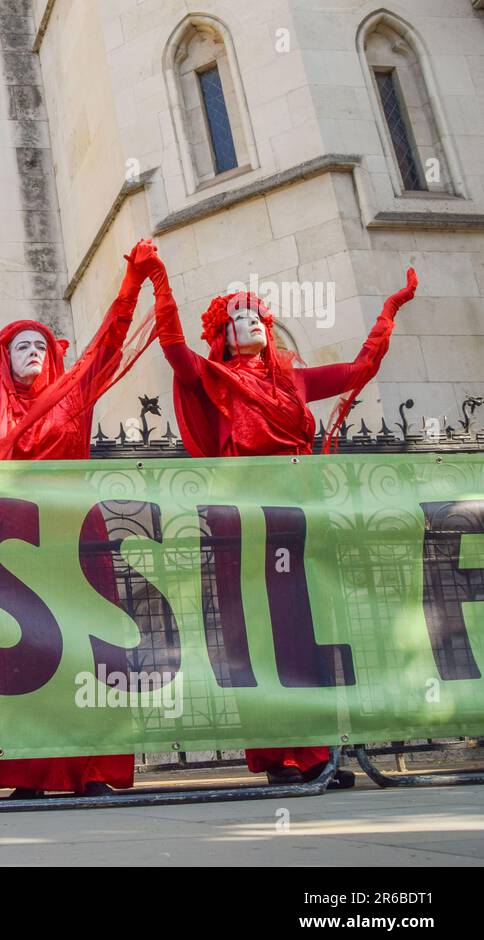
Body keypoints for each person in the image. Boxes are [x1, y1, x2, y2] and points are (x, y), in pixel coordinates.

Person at [150, 243, 418, 789]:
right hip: (243, 521)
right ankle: (279, 755)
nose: (247, 323)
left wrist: (389, 310)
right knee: (253, 629)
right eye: (235, 318)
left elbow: (360, 368)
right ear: (222, 334)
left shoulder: (295, 381)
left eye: (254, 316)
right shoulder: (214, 377)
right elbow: (174, 348)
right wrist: (158, 278)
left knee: (303, 627)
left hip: (296, 517)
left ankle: (315, 750)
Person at [0, 241, 159, 798]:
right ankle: (26, 772)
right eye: (20, 345)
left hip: (72, 539)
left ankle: (88, 769)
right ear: (3, 355)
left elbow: (108, 344)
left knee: (82, 653)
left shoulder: (74, 397)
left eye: (39, 345)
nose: (31, 352)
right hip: (4, 543)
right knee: (17, 655)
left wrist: (132, 282)